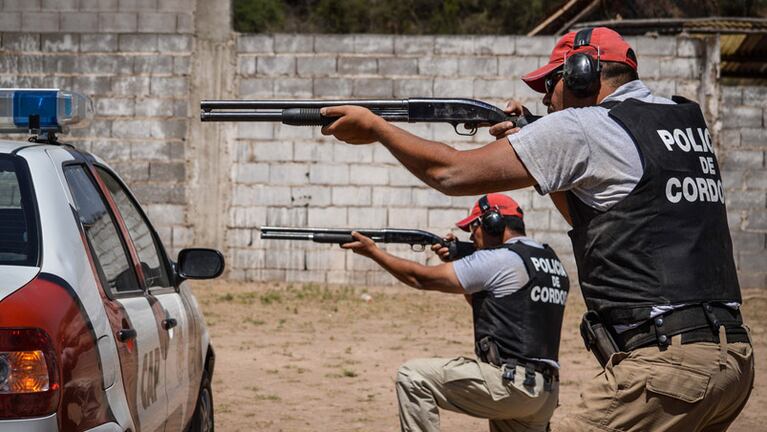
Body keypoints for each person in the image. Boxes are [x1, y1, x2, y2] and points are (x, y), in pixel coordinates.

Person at [320, 27, 754, 432]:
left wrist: (377, 128)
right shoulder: (680, 121)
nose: (546, 99)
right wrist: (533, 138)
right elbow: (603, 217)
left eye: (551, 83)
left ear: (581, 73)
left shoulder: (585, 125)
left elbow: (449, 173)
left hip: (667, 368)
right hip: (730, 359)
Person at [341, 193, 569, 432]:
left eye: (473, 227)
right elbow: (495, 311)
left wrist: (373, 252)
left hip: (511, 385)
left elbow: (419, 278)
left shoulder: (500, 259)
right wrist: (460, 258)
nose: (471, 236)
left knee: (413, 376)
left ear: (492, 223)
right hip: (544, 392)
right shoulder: (549, 260)